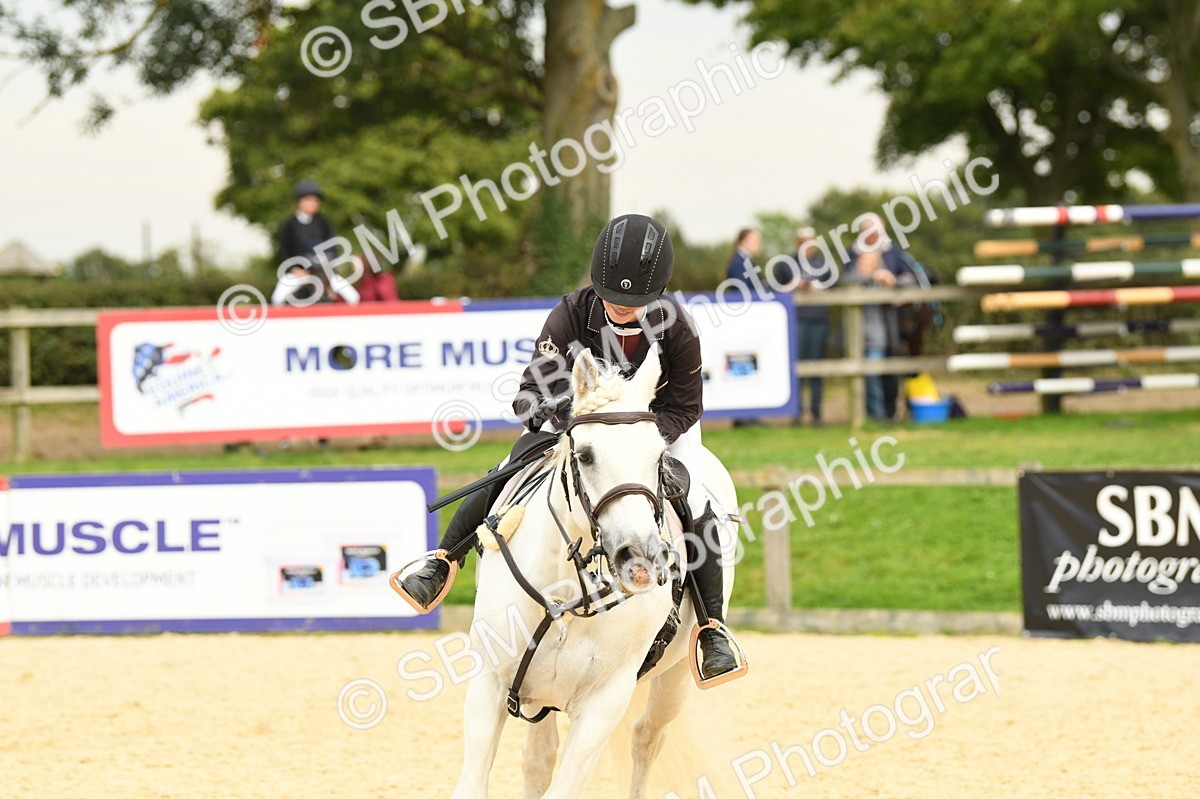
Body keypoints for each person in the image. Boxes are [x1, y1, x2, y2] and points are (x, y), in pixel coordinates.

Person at [396, 213, 742, 683]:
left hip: (657, 427)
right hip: (576, 427)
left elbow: (686, 405)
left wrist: (637, 439)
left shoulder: (678, 327)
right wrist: (573, 422)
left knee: (696, 497)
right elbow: (529, 393)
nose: (620, 307)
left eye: (633, 300)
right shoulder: (572, 313)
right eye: (612, 296)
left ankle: (711, 628)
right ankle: (441, 561)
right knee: (507, 468)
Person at [839, 248, 912, 420]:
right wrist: (872, 277)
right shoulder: (853, 278)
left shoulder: (884, 279)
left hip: (878, 339)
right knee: (860, 380)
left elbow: (909, 282)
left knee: (875, 379)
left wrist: (892, 280)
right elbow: (845, 279)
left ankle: (879, 415)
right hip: (855, 340)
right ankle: (868, 416)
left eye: (870, 262)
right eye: (862, 261)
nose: (865, 265)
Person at [789, 226, 832, 426]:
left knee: (816, 366)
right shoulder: (788, 263)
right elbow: (777, 286)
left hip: (817, 319)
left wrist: (818, 288)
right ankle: (797, 412)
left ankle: (816, 412)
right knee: (795, 367)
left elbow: (834, 285)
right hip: (795, 320)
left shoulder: (823, 263)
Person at [723, 228, 765, 427]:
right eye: (755, 239)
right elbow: (743, 292)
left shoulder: (744, 261)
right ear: (744, 241)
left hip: (744, 318)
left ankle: (746, 414)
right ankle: (744, 416)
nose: (758, 244)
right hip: (743, 319)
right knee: (742, 361)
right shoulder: (740, 263)